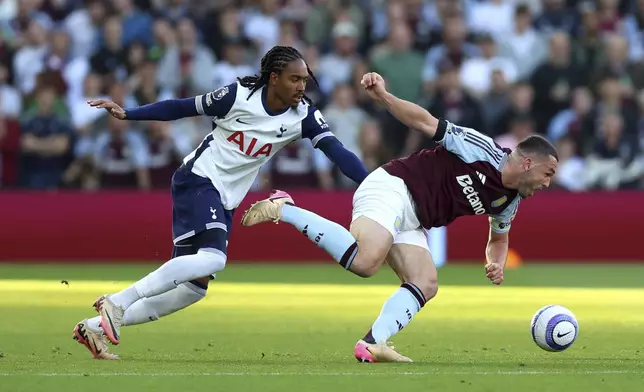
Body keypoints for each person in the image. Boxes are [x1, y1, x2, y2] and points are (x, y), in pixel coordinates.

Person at [72, 46, 368, 359]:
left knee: (192, 290)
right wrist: (129, 113)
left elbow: (338, 152)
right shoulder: (238, 96)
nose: (301, 87)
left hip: (226, 197)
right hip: (198, 178)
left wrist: (372, 183)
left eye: (304, 80)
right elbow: (182, 107)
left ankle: (92, 327)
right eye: (294, 79)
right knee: (214, 258)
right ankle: (117, 302)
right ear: (274, 78)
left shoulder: (304, 115)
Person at [241, 71, 559, 363]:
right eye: (548, 173)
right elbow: (424, 122)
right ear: (529, 164)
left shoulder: (510, 201)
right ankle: (286, 209)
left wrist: (496, 262)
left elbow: (498, 238)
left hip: (414, 219)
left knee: (426, 283)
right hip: (393, 187)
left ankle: (371, 343)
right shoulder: (481, 149)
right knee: (366, 262)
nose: (547, 183)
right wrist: (383, 95)